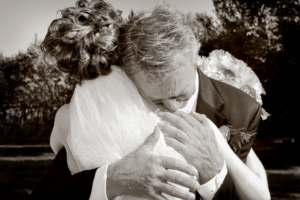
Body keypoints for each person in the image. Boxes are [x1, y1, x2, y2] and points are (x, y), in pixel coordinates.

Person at [30, 0, 270, 200]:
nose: (173, 108)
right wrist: (113, 179)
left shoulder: (240, 110)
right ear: (129, 75)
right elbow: (45, 193)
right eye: (156, 99)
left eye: (179, 95)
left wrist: (214, 174)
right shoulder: (112, 106)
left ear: (195, 55)